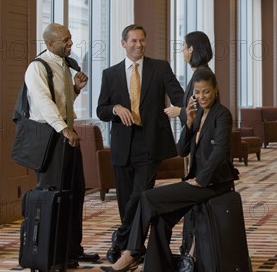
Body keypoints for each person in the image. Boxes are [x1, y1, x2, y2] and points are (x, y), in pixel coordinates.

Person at [100, 67, 238, 272]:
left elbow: (220, 152)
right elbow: (181, 151)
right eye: (197, 92)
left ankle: (132, 252)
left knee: (147, 197)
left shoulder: (222, 115)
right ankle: (158, 265)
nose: (201, 96)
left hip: (214, 183)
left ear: (215, 90)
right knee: (160, 217)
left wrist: (201, 179)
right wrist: (189, 123)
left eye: (206, 91)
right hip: (197, 183)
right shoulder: (198, 114)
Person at [96, 24, 184, 263]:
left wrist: (187, 107)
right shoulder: (110, 74)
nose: (139, 45)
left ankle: (122, 242)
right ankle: (133, 246)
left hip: (150, 143)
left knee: (140, 195)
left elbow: (179, 96)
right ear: (123, 43)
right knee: (126, 202)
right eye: (133, 41)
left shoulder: (161, 68)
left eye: (142, 40)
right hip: (123, 145)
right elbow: (101, 109)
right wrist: (116, 108)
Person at [25, 23, 99, 268]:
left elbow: (63, 103)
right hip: (50, 137)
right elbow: (44, 104)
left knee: (75, 193)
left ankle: (72, 250)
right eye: (65, 40)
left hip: (67, 135)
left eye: (70, 39)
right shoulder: (37, 68)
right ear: (49, 43)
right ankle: (51, 252)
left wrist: (76, 89)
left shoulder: (64, 66)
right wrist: (65, 129)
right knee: (54, 195)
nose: (70, 44)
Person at [164, 31, 213, 126]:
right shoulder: (200, 73)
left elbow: (203, 111)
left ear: (191, 49)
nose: (182, 49)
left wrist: (179, 111)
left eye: (184, 45)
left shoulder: (203, 75)